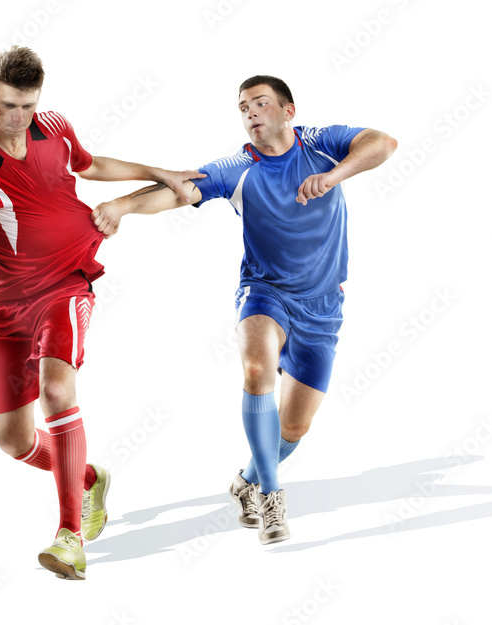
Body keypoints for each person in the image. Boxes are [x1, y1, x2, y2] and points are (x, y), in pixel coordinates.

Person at [0, 46, 203, 578]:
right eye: (7, 106)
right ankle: (89, 479)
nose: (19, 118)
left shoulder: (53, 127)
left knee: (57, 390)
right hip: (7, 304)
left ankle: (69, 535)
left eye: (28, 106)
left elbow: (90, 165)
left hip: (68, 284)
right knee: (15, 441)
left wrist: (155, 171)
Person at [91, 75, 397, 545]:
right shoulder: (238, 167)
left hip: (324, 305)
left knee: (294, 426)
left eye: (260, 103)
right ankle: (272, 497)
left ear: (288, 111)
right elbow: (179, 191)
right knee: (257, 371)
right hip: (264, 293)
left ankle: (247, 479)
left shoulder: (323, 145)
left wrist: (332, 177)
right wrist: (123, 206)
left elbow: (383, 142)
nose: (250, 112)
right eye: (243, 107)